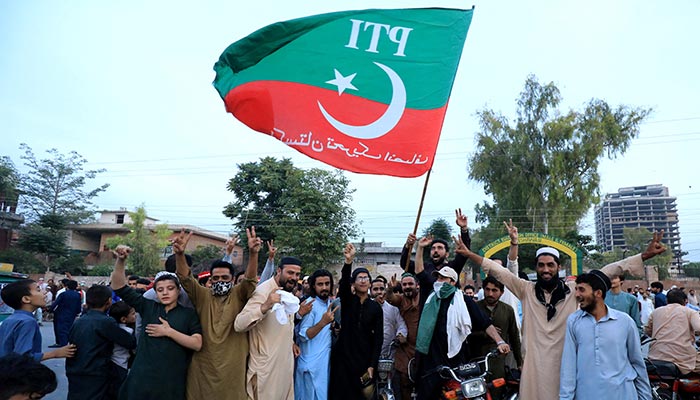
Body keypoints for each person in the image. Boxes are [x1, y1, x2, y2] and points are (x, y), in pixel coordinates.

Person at [455, 229, 666, 400]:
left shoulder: (574, 290)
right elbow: (498, 271)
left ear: (558, 267)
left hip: (568, 368)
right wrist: (468, 254)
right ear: (536, 268)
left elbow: (608, 270)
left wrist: (644, 255)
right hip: (534, 369)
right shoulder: (526, 290)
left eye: (550, 265)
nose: (545, 270)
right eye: (541, 266)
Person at [412, 236, 510, 400]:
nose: (438, 281)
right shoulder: (431, 296)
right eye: (437, 277)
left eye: (443, 278)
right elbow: (419, 271)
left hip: (455, 359)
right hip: (430, 360)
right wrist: (420, 248)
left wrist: (500, 341)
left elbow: (484, 322)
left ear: (452, 281)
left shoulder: (462, 300)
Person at [172, 228, 260, 400]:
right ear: (210, 279)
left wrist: (253, 253)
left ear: (233, 280)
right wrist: (180, 254)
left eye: (225, 278)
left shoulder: (239, 294)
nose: (220, 282)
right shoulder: (202, 295)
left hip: (232, 367)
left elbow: (250, 280)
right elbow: (185, 277)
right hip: (203, 366)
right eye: (216, 278)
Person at [110, 244, 203, 400]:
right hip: (141, 378)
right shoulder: (147, 306)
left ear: (178, 290)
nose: (165, 292)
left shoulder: (188, 314)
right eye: (160, 290)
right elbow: (118, 286)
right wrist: (121, 261)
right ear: (155, 292)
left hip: (171, 382)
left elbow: (197, 343)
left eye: (170, 288)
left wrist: (169, 332)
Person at [560, 270, 651, 400]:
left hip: (623, 394)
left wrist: (645, 397)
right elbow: (568, 365)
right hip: (586, 394)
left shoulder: (624, 321)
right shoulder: (574, 321)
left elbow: (637, 362)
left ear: (598, 293)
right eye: (576, 289)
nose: (577, 295)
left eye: (581, 290)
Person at [234, 251, 302, 400]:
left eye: (297, 274)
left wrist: (290, 342)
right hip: (266, 368)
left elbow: (279, 323)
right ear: (279, 270)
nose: (294, 278)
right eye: (290, 273)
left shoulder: (287, 292)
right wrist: (265, 306)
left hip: (284, 365)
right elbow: (239, 324)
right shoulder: (263, 292)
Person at [330, 243, 384, 400]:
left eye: (365, 278)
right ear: (353, 283)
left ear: (369, 282)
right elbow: (343, 284)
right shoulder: (347, 301)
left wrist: (372, 364)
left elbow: (378, 338)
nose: (362, 281)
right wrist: (348, 262)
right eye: (359, 278)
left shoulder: (375, 307)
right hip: (343, 358)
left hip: (364, 359)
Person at [66, 285, 136, 400]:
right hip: (95, 372)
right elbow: (129, 342)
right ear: (109, 301)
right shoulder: (106, 321)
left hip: (75, 370)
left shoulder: (79, 321)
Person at [469, 275, 523, 400]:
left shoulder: (507, 310)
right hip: (476, 362)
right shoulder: (475, 308)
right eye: (487, 290)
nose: (490, 294)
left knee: (497, 394)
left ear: (501, 292)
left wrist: (520, 363)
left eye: (494, 290)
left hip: (498, 363)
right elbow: (466, 334)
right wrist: (484, 333)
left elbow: (514, 337)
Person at [0, 279, 76, 361]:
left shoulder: (9, 320)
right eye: (38, 290)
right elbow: (22, 358)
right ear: (26, 299)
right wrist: (55, 353)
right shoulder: (28, 322)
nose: (44, 293)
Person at [295, 269, 337, 400]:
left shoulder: (331, 304)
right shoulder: (310, 304)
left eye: (327, 283)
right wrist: (322, 323)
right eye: (320, 284)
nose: (324, 287)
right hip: (310, 366)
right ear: (313, 286)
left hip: (324, 364)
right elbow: (303, 334)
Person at [400, 208, 472, 281]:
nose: (436, 251)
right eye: (433, 248)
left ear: (447, 254)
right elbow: (405, 263)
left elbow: (465, 252)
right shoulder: (423, 267)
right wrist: (408, 245)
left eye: (440, 248)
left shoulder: (453, 267)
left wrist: (464, 229)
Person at [645, 288, 700, 375]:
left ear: (666, 300)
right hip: (682, 360)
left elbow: (648, 331)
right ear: (686, 301)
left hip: (654, 357)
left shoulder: (655, 312)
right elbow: (698, 328)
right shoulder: (690, 312)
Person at [385, 272, 421, 400]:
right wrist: (390, 289)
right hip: (404, 348)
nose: (407, 287)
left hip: (421, 348)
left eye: (410, 284)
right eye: (404, 284)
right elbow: (390, 298)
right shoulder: (401, 300)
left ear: (417, 285)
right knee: (404, 381)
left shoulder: (424, 299)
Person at [370, 278, 407, 357]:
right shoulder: (365, 307)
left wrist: (401, 334)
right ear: (370, 291)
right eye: (375, 289)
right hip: (369, 352)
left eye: (382, 289)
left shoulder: (393, 308)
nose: (379, 292)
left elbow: (401, 324)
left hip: (389, 354)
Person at [108, 301, 136, 395]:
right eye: (132, 313)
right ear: (124, 319)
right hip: (121, 363)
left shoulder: (111, 328)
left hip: (112, 361)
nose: (135, 315)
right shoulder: (128, 331)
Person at [50, 279, 82, 347]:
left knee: (61, 329)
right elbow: (79, 305)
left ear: (67, 286)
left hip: (61, 313)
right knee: (69, 328)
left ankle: (62, 343)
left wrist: (50, 309)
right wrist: (77, 312)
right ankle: (67, 341)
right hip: (72, 314)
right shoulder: (78, 295)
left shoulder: (63, 294)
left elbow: (56, 303)